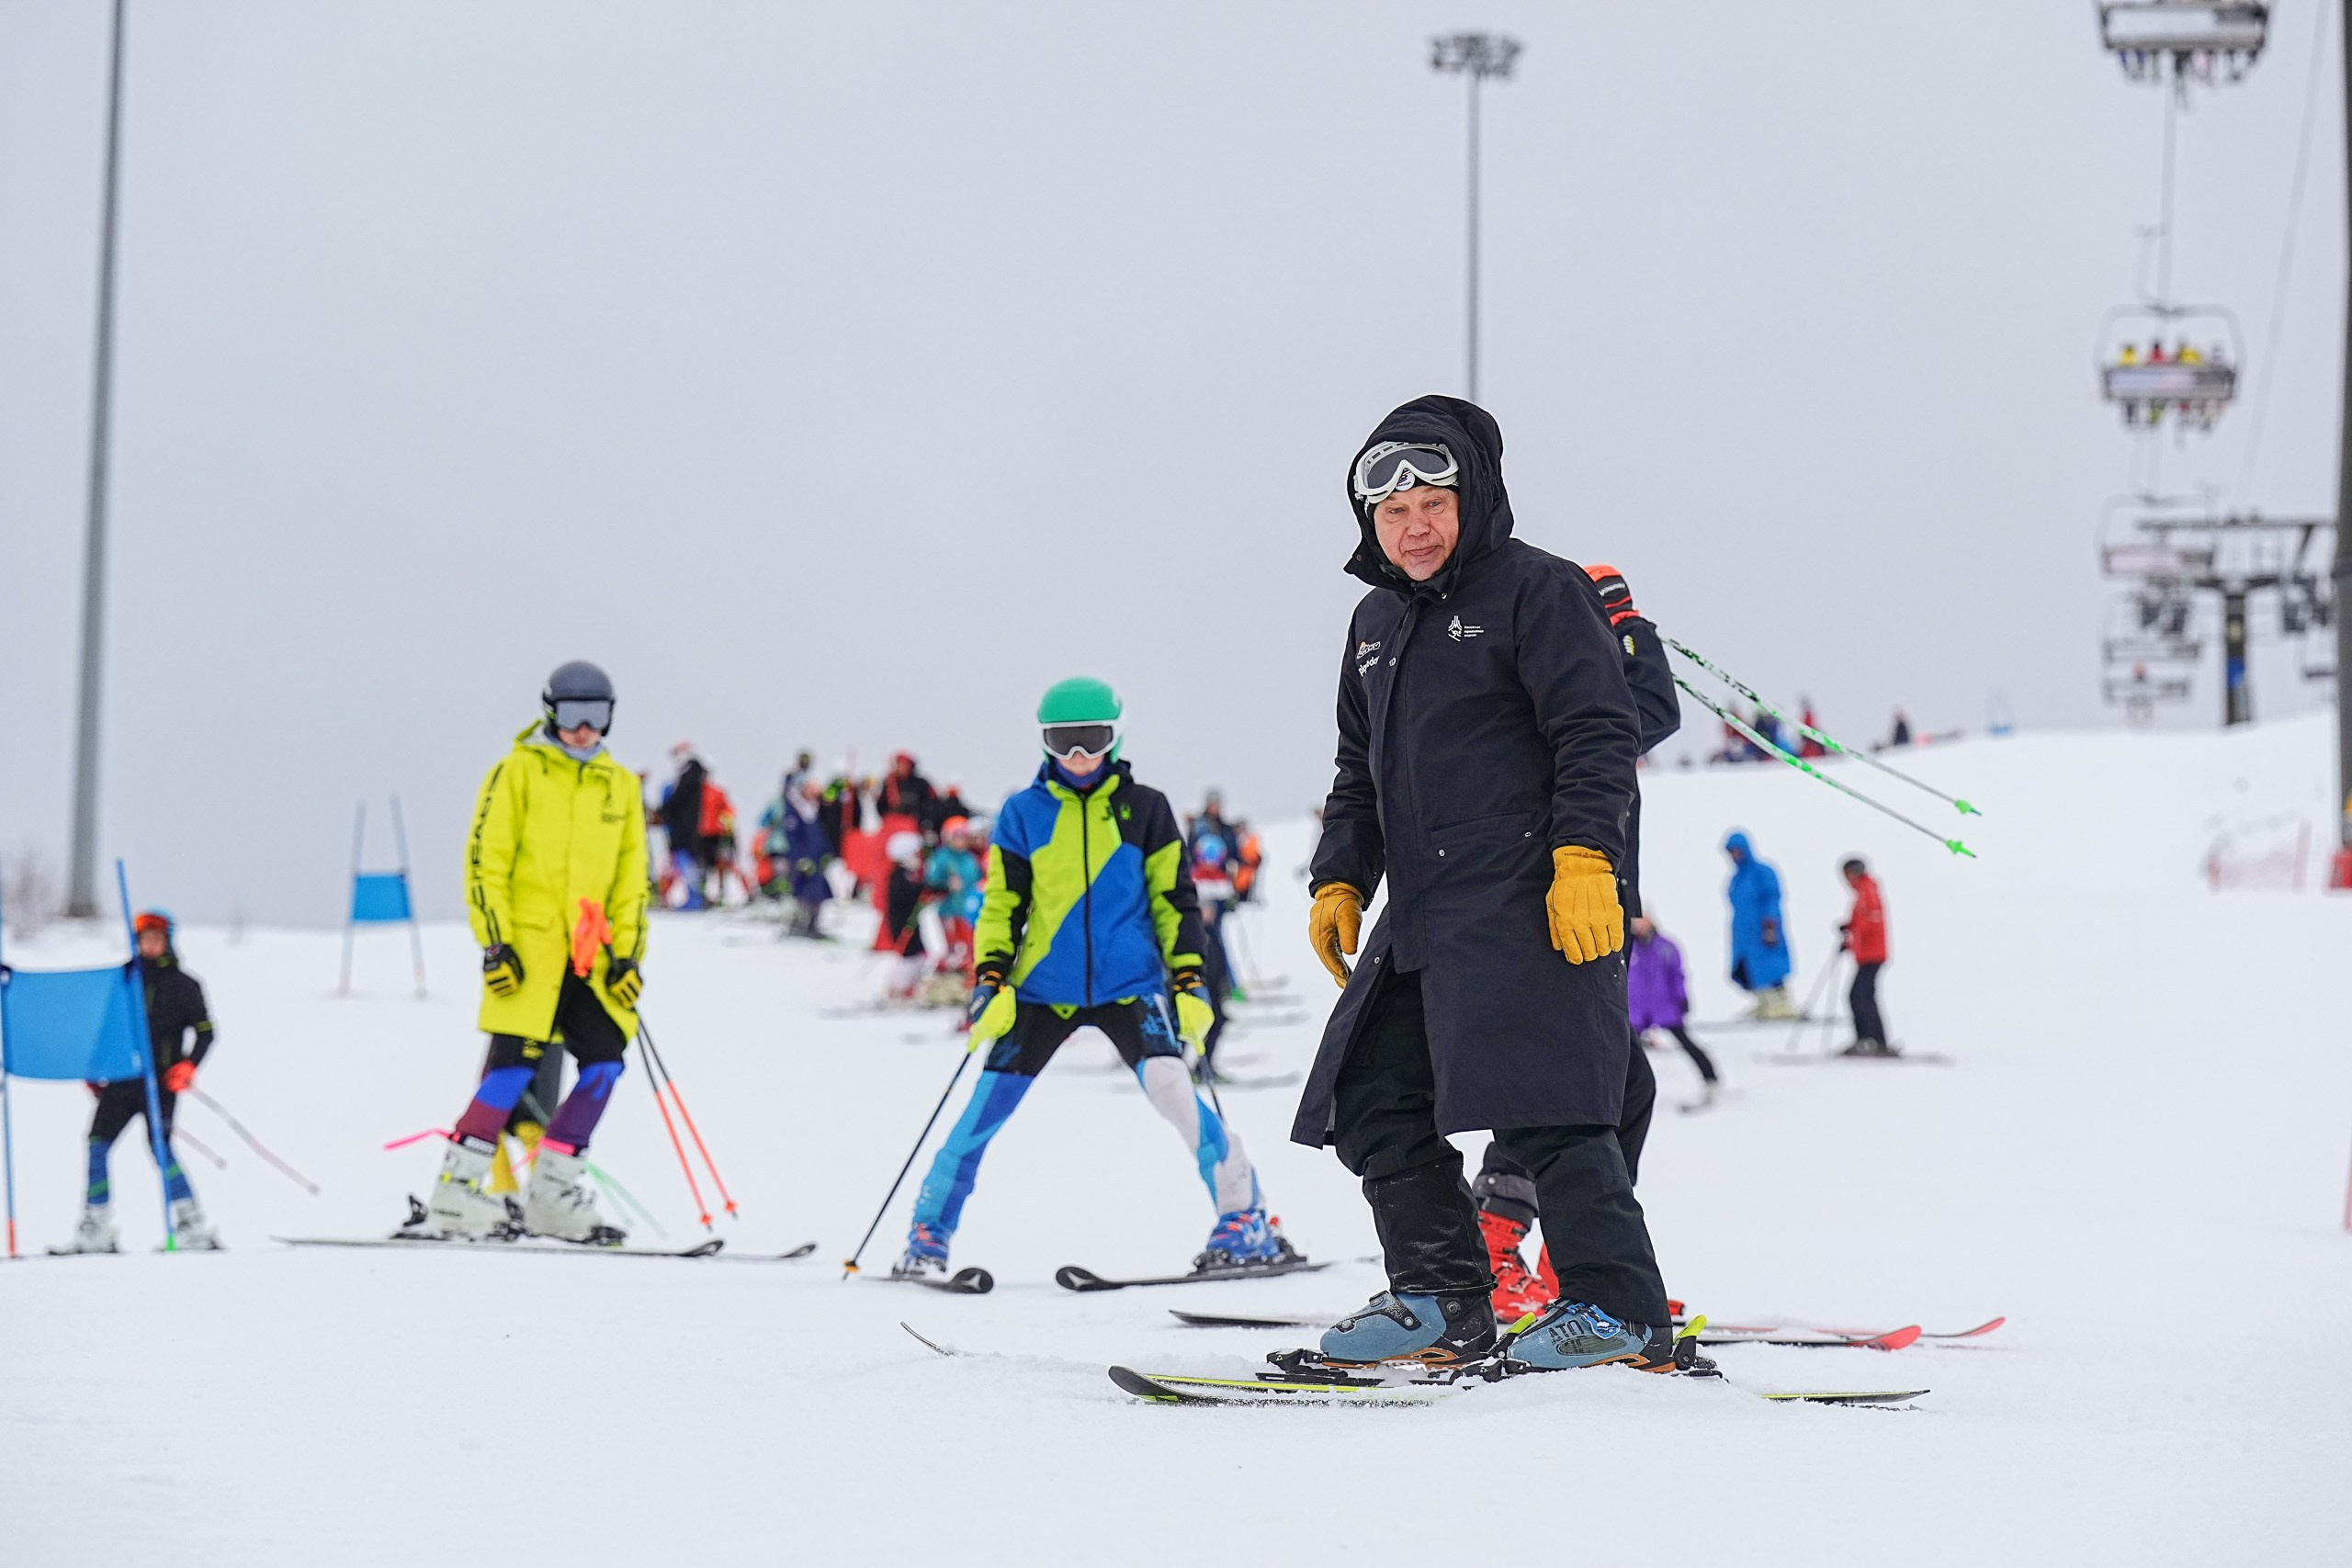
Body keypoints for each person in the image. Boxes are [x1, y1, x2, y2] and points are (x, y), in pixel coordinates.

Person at [1297, 396, 1695, 1377]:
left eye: (1432, 502)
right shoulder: (1374, 621)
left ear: (1475, 500)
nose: (1414, 526)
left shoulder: (1539, 591)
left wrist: (1584, 858)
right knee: (1373, 1096)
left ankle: (1617, 1311)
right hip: (1425, 905)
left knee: (1548, 1102)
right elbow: (1360, 772)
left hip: (1528, 887)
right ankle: (1440, 1300)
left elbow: (1597, 731)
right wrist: (1339, 876)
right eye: (1392, 513)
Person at [897, 678, 1295, 1280]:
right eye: (1064, 742)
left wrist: (1188, 979)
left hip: (1127, 985)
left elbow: (1175, 902)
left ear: (1116, 736)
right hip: (1038, 990)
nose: (1079, 756)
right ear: (1045, 743)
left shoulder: (1147, 810)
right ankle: (928, 1232)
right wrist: (991, 980)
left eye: (1093, 740)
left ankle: (1245, 1218)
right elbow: (1003, 903)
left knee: (1177, 1095)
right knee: (983, 1110)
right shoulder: (1023, 813)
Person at [1471, 561, 1677, 1322]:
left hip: (1597, 916)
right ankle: (1496, 1255)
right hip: (1541, 912)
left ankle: (1576, 1267)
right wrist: (1630, 629)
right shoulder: (1546, 689)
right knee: (1559, 1089)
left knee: (1613, 1090)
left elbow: (1644, 714)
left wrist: (1628, 627)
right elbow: (1648, 711)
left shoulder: (1591, 697)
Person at [415, 660, 648, 1244]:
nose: (585, 730)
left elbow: (632, 882)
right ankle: (456, 1191)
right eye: (573, 715)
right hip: (528, 955)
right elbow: (484, 861)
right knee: (512, 1065)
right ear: (550, 712)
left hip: (590, 960)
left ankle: (551, 1192)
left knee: (605, 1061)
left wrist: (627, 957)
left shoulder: (619, 786)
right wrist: (496, 944)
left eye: (598, 718)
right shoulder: (515, 773)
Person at [60, 910, 221, 1253]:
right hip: (121, 1081)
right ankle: (96, 1228)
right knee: (97, 1144)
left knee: (160, 1149)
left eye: (157, 939)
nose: (150, 945)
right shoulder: (123, 981)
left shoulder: (185, 985)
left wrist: (189, 1066)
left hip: (159, 1084)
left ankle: (191, 1225)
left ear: (168, 941)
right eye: (144, 939)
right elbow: (105, 1030)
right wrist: (95, 1068)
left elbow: (206, 1032)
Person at [1724, 830, 1795, 1019]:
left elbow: (1772, 897)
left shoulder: (1762, 872)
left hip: (1763, 929)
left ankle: (1783, 1003)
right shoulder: (1737, 878)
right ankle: (1763, 1002)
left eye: (1737, 851)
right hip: (1744, 933)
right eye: (1731, 852)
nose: (1734, 855)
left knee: (1771, 964)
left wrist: (1770, 924)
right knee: (1747, 967)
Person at [1838, 856, 1893, 1055]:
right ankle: (1870, 1040)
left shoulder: (1867, 890)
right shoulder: (1864, 890)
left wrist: (1852, 933)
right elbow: (1863, 921)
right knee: (1860, 996)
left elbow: (1871, 921)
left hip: (1873, 954)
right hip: (1868, 954)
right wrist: (1849, 931)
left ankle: (1873, 1041)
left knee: (1860, 997)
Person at [660, 744, 709, 909]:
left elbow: (677, 801)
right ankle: (693, 897)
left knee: (686, 863)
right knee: (683, 862)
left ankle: (695, 898)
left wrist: (665, 811)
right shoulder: (691, 774)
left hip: (684, 830)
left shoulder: (690, 774)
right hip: (684, 829)